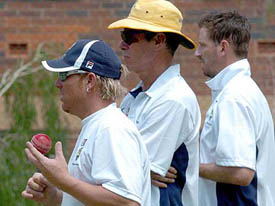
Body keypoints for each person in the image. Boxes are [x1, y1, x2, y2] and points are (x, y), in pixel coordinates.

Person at [21, 39, 151, 206]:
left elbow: (126, 202)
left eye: (63, 75)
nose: (57, 84)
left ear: (90, 81)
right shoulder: (98, 125)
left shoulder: (111, 128)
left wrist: (64, 181)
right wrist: (56, 198)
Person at [108, 0, 201, 206]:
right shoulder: (135, 97)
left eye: (130, 37)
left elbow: (125, 172)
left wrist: (138, 167)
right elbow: (126, 167)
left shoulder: (174, 99)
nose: (122, 44)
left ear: (159, 40)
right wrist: (137, 166)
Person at [196, 11, 275, 206]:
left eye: (202, 45)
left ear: (223, 47)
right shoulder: (238, 90)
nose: (197, 53)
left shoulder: (234, 97)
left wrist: (191, 167)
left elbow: (241, 172)